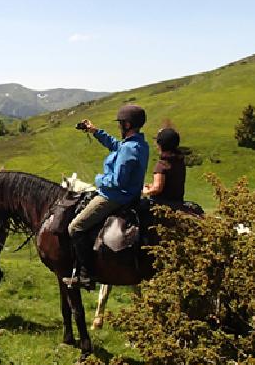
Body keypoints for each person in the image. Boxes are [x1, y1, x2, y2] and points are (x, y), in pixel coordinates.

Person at [64, 104, 149, 289]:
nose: (119, 126)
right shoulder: (138, 144)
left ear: (127, 124)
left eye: (121, 123)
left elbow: (117, 181)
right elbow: (115, 145)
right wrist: (95, 131)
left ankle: (86, 275)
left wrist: (99, 179)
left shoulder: (129, 149)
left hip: (114, 196)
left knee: (75, 227)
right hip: (129, 195)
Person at [143, 128, 185, 206]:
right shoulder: (179, 161)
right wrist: (152, 185)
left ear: (160, 145)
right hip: (178, 203)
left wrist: (144, 191)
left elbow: (157, 188)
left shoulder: (161, 165)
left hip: (162, 205)